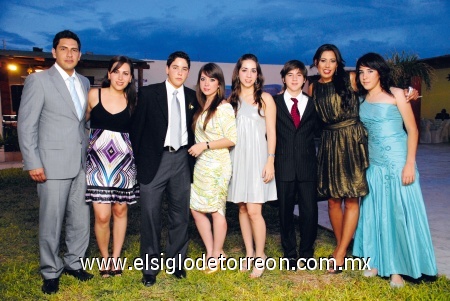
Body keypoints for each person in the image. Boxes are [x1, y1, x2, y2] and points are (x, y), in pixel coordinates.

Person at [17, 30, 93, 294]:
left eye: (74, 49)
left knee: (81, 220)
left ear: (80, 54)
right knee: (51, 221)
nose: (69, 54)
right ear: (54, 52)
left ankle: (74, 263)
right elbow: (27, 126)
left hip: (81, 163)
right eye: (64, 49)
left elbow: (81, 122)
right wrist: (33, 162)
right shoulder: (39, 81)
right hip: (51, 165)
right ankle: (51, 271)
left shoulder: (84, 82)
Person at [353, 52, 437, 288]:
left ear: (380, 72)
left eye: (370, 70)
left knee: (398, 214)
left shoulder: (397, 94)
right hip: (374, 165)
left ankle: (398, 269)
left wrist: (410, 163)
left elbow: (412, 130)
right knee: (375, 213)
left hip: (398, 162)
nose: (365, 76)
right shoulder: (361, 100)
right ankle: (376, 261)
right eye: (361, 71)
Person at [131, 51, 198, 287]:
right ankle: (149, 268)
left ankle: (176, 261)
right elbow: (136, 131)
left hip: (182, 159)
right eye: (176, 67)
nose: (180, 72)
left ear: (188, 72)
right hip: (154, 159)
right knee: (150, 213)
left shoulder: (192, 96)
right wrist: (138, 163)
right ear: (167, 69)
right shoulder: (149, 94)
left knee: (180, 213)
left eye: (184, 69)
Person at [308, 44, 369, 273]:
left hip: (351, 140)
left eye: (332, 61)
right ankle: (342, 245)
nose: (327, 65)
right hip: (328, 142)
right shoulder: (313, 86)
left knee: (352, 198)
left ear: (338, 63)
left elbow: (376, 89)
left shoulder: (351, 79)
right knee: (333, 200)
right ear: (316, 62)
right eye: (323, 60)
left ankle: (340, 253)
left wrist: (404, 93)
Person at [85, 56, 139, 277]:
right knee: (102, 215)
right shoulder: (93, 95)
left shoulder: (134, 100)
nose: (120, 77)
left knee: (120, 210)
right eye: (116, 71)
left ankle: (115, 258)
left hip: (124, 164)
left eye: (125, 73)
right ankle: (104, 258)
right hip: (97, 165)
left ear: (130, 78)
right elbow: (80, 123)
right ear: (109, 74)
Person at [227, 53, 277, 278]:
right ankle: (248, 253)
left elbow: (272, 133)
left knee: (255, 210)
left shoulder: (266, 98)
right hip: (237, 158)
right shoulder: (231, 101)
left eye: (253, 70)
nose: (248, 74)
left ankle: (260, 255)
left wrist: (270, 159)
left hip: (258, 158)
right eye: (244, 70)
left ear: (258, 74)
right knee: (242, 207)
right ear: (238, 73)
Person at [188, 63, 237, 273]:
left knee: (217, 210)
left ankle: (215, 255)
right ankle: (212, 252)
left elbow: (231, 139)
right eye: (203, 79)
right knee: (196, 208)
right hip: (202, 165)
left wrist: (204, 145)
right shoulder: (201, 106)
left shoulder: (223, 107)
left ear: (219, 84)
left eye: (212, 79)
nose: (206, 83)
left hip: (217, 163)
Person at [275, 60, 319, 270]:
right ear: (283, 78)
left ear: (304, 79)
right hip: (283, 166)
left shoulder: (312, 104)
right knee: (284, 212)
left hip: (307, 166)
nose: (294, 78)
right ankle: (290, 253)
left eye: (299, 75)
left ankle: (307, 253)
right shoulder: (273, 103)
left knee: (309, 212)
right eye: (290, 75)